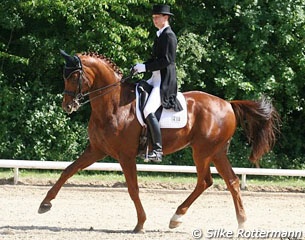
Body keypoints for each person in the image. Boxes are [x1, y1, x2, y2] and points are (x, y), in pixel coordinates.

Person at [133, 4, 183, 163]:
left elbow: (167, 60)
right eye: (153, 17)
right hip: (154, 78)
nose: (154, 20)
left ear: (166, 17)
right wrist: (140, 66)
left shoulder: (169, 36)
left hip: (164, 81)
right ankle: (141, 143)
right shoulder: (160, 35)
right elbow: (155, 59)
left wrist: (145, 67)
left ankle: (157, 150)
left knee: (148, 109)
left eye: (157, 17)